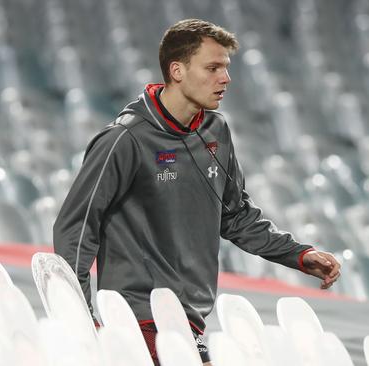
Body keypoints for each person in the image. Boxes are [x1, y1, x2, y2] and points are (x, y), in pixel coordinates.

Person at [53, 19, 341, 365]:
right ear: (177, 70)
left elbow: (235, 215)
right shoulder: (124, 139)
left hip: (189, 317)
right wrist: (84, 319)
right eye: (213, 67)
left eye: (226, 68)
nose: (225, 79)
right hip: (137, 314)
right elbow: (76, 231)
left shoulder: (215, 130)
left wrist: (298, 254)